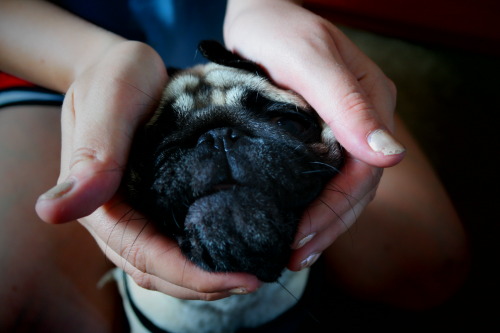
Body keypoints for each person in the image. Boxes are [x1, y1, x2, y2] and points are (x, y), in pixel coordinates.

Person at [0, 0, 469, 331]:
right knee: (28, 309)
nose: (219, 143)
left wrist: (262, 7)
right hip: (48, 58)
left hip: (254, 49)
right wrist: (90, 61)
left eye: (285, 119)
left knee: (427, 263)